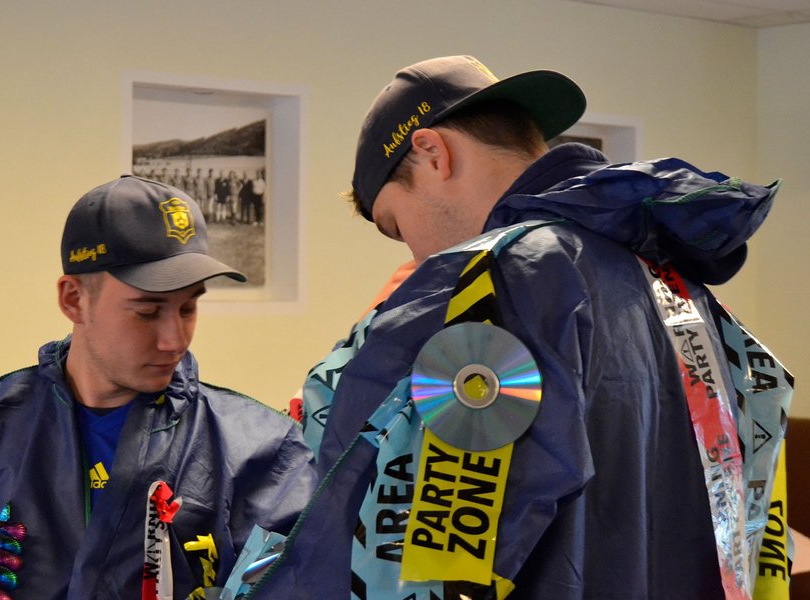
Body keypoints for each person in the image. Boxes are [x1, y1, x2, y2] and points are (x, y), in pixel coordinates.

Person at [249, 56, 793, 599]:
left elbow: (420, 546)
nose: (413, 256)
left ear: (433, 153)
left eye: (397, 224)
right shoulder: (677, 286)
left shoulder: (500, 281)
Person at [0, 175, 317, 599]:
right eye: (148, 311)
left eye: (188, 308)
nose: (174, 339)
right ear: (74, 299)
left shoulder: (262, 454)